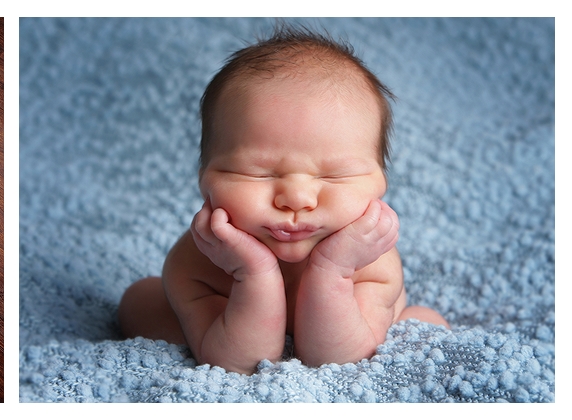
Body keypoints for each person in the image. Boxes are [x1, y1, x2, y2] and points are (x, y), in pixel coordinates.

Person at [117, 25, 449, 374]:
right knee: (141, 301)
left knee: (425, 324)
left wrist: (333, 270)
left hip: (352, 335)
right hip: (228, 330)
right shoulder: (196, 264)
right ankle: (199, 330)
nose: (297, 198)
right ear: (206, 177)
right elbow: (236, 364)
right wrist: (253, 273)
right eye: (260, 173)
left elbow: (336, 361)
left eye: (333, 175)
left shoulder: (372, 264)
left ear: (380, 183)